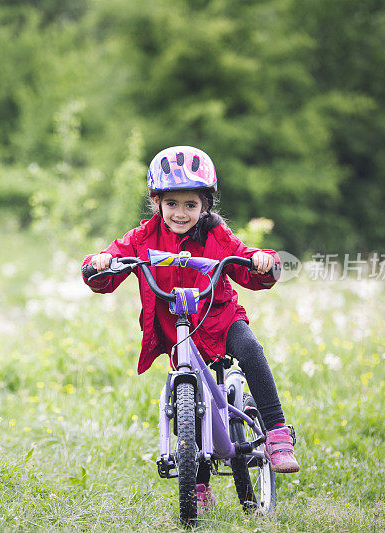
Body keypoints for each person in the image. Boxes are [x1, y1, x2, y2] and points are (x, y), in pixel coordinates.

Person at [81, 145, 299, 512]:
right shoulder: (143, 238)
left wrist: (263, 261)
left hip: (220, 317)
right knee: (191, 404)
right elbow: (106, 266)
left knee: (249, 348)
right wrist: (100, 263)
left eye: (191, 205)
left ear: (205, 206)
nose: (181, 213)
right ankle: (197, 483)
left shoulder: (216, 235)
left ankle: (277, 433)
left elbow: (248, 264)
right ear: (157, 203)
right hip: (178, 330)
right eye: (172, 204)